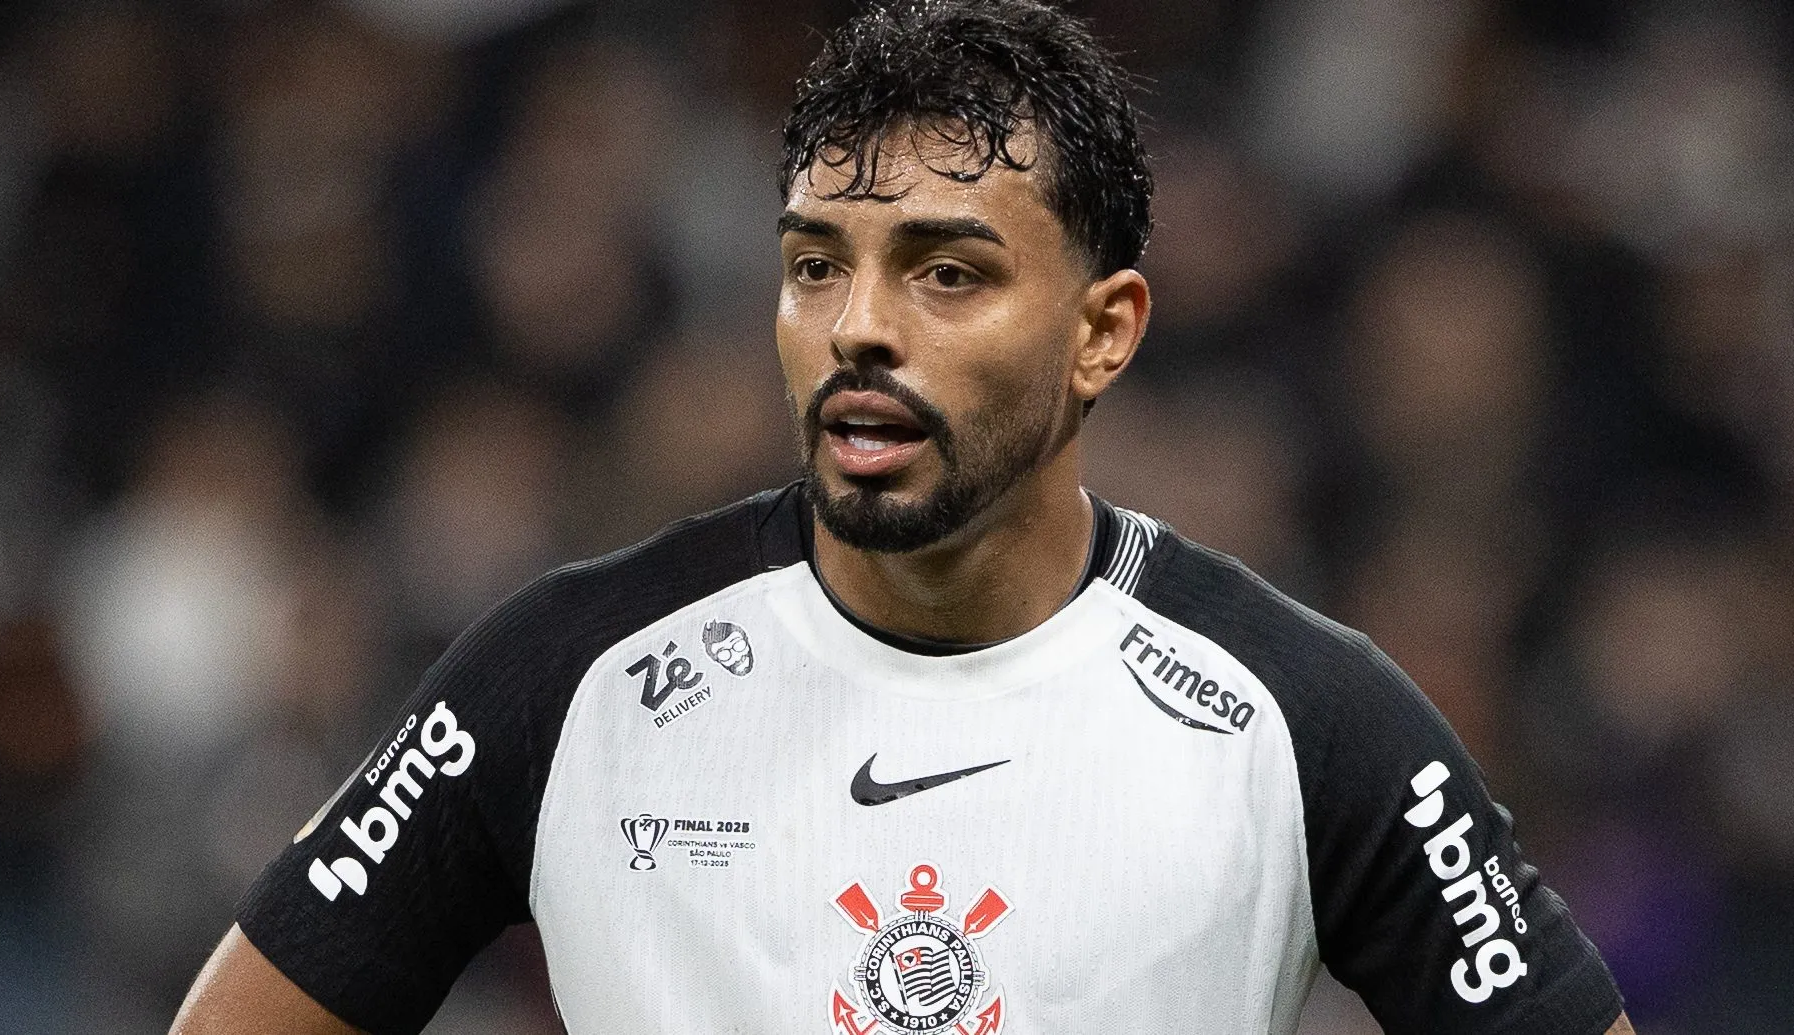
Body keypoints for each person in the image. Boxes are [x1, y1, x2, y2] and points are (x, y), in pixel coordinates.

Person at [173, 2, 1634, 1032]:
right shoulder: (564, 679)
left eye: (947, 274)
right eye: (818, 267)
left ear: (1102, 331)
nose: (859, 327)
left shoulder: (1306, 717)